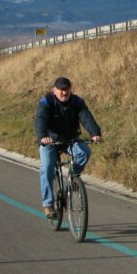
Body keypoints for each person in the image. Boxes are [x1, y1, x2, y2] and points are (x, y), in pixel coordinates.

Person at [35, 77, 102, 219]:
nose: (64, 93)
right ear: (54, 90)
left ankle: (71, 183)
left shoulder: (77, 102)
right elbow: (40, 120)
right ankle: (48, 204)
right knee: (47, 166)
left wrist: (95, 133)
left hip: (70, 139)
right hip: (50, 141)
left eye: (67, 89)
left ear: (71, 89)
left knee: (84, 152)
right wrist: (42, 137)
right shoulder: (46, 102)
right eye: (61, 90)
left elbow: (86, 117)